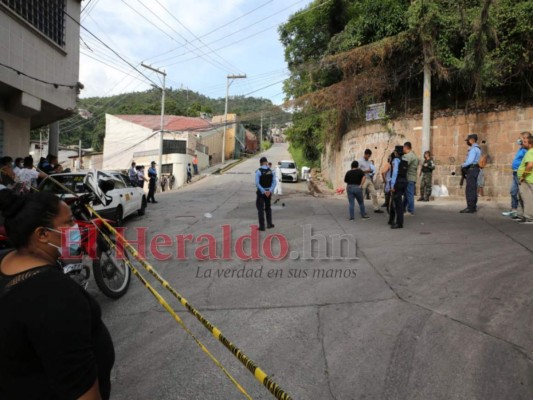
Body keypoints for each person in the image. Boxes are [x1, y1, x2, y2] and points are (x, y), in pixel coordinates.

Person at [0, 190, 115, 399]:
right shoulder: (56, 296)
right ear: (42, 234)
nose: (75, 229)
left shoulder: (6, 261)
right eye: (69, 222)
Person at [502, 132, 530, 218]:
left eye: (521, 138)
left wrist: (523, 173)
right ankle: (514, 210)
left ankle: (526, 212)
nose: (519, 140)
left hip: (519, 174)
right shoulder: (521, 149)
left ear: (526, 139)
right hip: (515, 173)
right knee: (513, 191)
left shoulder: (526, 150)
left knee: (522, 193)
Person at [460, 134, 482, 213]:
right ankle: (473, 206)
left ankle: (470, 207)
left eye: (468, 140)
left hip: (472, 169)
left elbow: (470, 161)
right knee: (473, 188)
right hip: (475, 169)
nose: (468, 142)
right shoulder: (478, 148)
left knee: (470, 189)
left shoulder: (473, 149)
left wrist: (462, 165)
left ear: (472, 140)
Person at [358, 149, 384, 214]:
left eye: (369, 156)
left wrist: (372, 172)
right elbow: (357, 171)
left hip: (369, 179)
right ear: (365, 154)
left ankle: (376, 208)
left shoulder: (369, 162)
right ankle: (362, 210)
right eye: (368, 156)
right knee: (362, 195)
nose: (369, 157)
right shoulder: (360, 161)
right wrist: (366, 171)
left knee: (374, 193)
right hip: (363, 179)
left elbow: (371, 170)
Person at [389, 146, 408, 229]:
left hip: (398, 182)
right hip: (404, 181)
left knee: (398, 204)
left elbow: (395, 172)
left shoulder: (396, 160)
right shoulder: (403, 160)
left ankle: (399, 223)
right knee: (397, 202)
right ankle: (393, 220)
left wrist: (392, 185)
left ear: (396, 152)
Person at [255, 157, 277, 231]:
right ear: (266, 162)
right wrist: (269, 191)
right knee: (268, 208)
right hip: (268, 192)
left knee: (260, 209)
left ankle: (262, 226)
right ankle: (269, 224)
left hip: (261, 193)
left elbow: (257, 183)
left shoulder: (258, 171)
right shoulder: (271, 171)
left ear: (260, 163)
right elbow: (274, 182)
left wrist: (263, 191)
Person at [516, 132, 533, 224]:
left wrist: (523, 176)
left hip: (527, 179)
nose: (523, 143)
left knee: (527, 198)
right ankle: (524, 215)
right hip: (526, 178)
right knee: (522, 197)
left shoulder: (530, 152)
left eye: (525, 142)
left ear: (530, 144)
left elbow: (530, 165)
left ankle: (529, 217)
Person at [402, 142, 419, 215]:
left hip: (409, 177)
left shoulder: (409, 155)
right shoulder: (414, 155)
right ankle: (403, 208)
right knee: (406, 194)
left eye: (403, 147)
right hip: (412, 177)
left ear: (406, 147)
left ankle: (410, 210)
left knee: (409, 194)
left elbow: (404, 165)